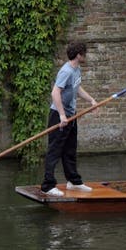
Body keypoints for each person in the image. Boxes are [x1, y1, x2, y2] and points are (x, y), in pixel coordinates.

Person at [41, 41, 98, 196]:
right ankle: (47, 186)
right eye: (84, 54)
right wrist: (61, 115)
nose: (86, 56)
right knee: (54, 150)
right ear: (79, 55)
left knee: (70, 150)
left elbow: (76, 88)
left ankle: (73, 181)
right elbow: (55, 93)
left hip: (71, 116)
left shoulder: (76, 69)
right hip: (59, 117)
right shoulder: (66, 71)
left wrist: (91, 100)